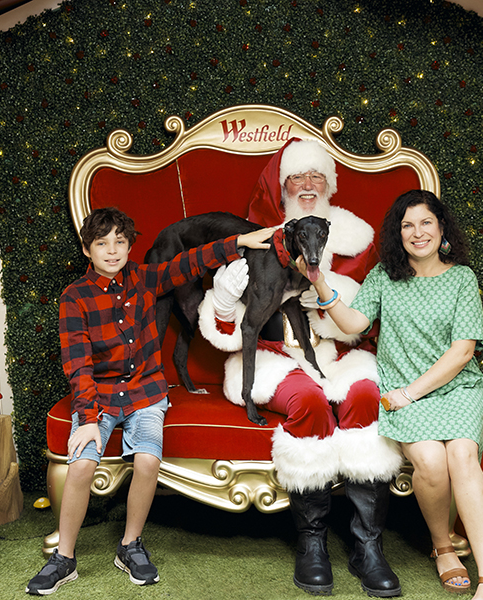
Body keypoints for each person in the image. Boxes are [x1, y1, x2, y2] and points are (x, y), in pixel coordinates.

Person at [26, 207, 275, 596]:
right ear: (87, 248)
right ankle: (65, 557)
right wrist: (88, 418)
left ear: (129, 246)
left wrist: (239, 242)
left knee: (146, 460)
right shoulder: (74, 298)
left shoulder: (144, 279)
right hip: (100, 399)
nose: (112, 251)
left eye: (120, 242)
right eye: (102, 243)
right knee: (81, 465)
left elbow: (190, 261)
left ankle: (130, 546)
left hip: (146, 394)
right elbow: (78, 365)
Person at [196, 139, 404, 597]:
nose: (307, 186)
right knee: (308, 402)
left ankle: (368, 544)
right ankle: (312, 542)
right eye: (297, 178)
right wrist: (227, 299)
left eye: (316, 178)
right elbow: (227, 328)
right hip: (274, 356)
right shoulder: (257, 240)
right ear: (282, 187)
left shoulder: (357, 240)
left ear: (329, 186)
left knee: (367, 396)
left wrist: (331, 305)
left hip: (335, 353)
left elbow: (367, 319)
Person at [296, 189, 483, 599]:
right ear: (398, 234)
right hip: (403, 389)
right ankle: (443, 547)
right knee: (429, 461)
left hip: (454, 386)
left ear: (442, 228)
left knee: (461, 455)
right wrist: (319, 283)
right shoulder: (385, 276)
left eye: (426, 222)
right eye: (407, 225)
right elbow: (355, 323)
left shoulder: (461, 277)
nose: (417, 232)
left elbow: (462, 351)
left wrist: (411, 393)